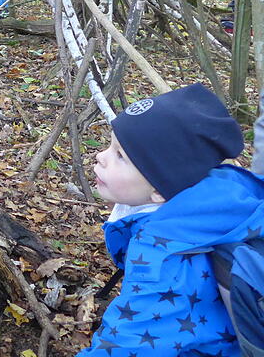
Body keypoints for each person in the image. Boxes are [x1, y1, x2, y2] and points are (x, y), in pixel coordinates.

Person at [77, 83, 264, 356]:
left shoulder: (162, 256)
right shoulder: (225, 196)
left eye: (120, 156)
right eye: (110, 146)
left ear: (158, 189)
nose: (100, 156)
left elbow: (129, 344)